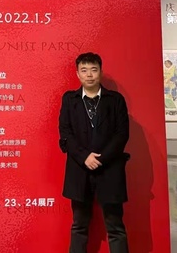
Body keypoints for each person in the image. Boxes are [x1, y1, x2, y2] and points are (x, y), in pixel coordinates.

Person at [59, 52, 130, 253]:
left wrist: (100, 159)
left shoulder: (115, 100)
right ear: (77, 74)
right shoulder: (69, 99)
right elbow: (65, 133)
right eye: (84, 70)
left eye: (93, 70)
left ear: (100, 72)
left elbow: (122, 134)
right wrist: (85, 157)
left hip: (110, 170)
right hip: (79, 171)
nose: (89, 75)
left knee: (116, 227)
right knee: (79, 226)